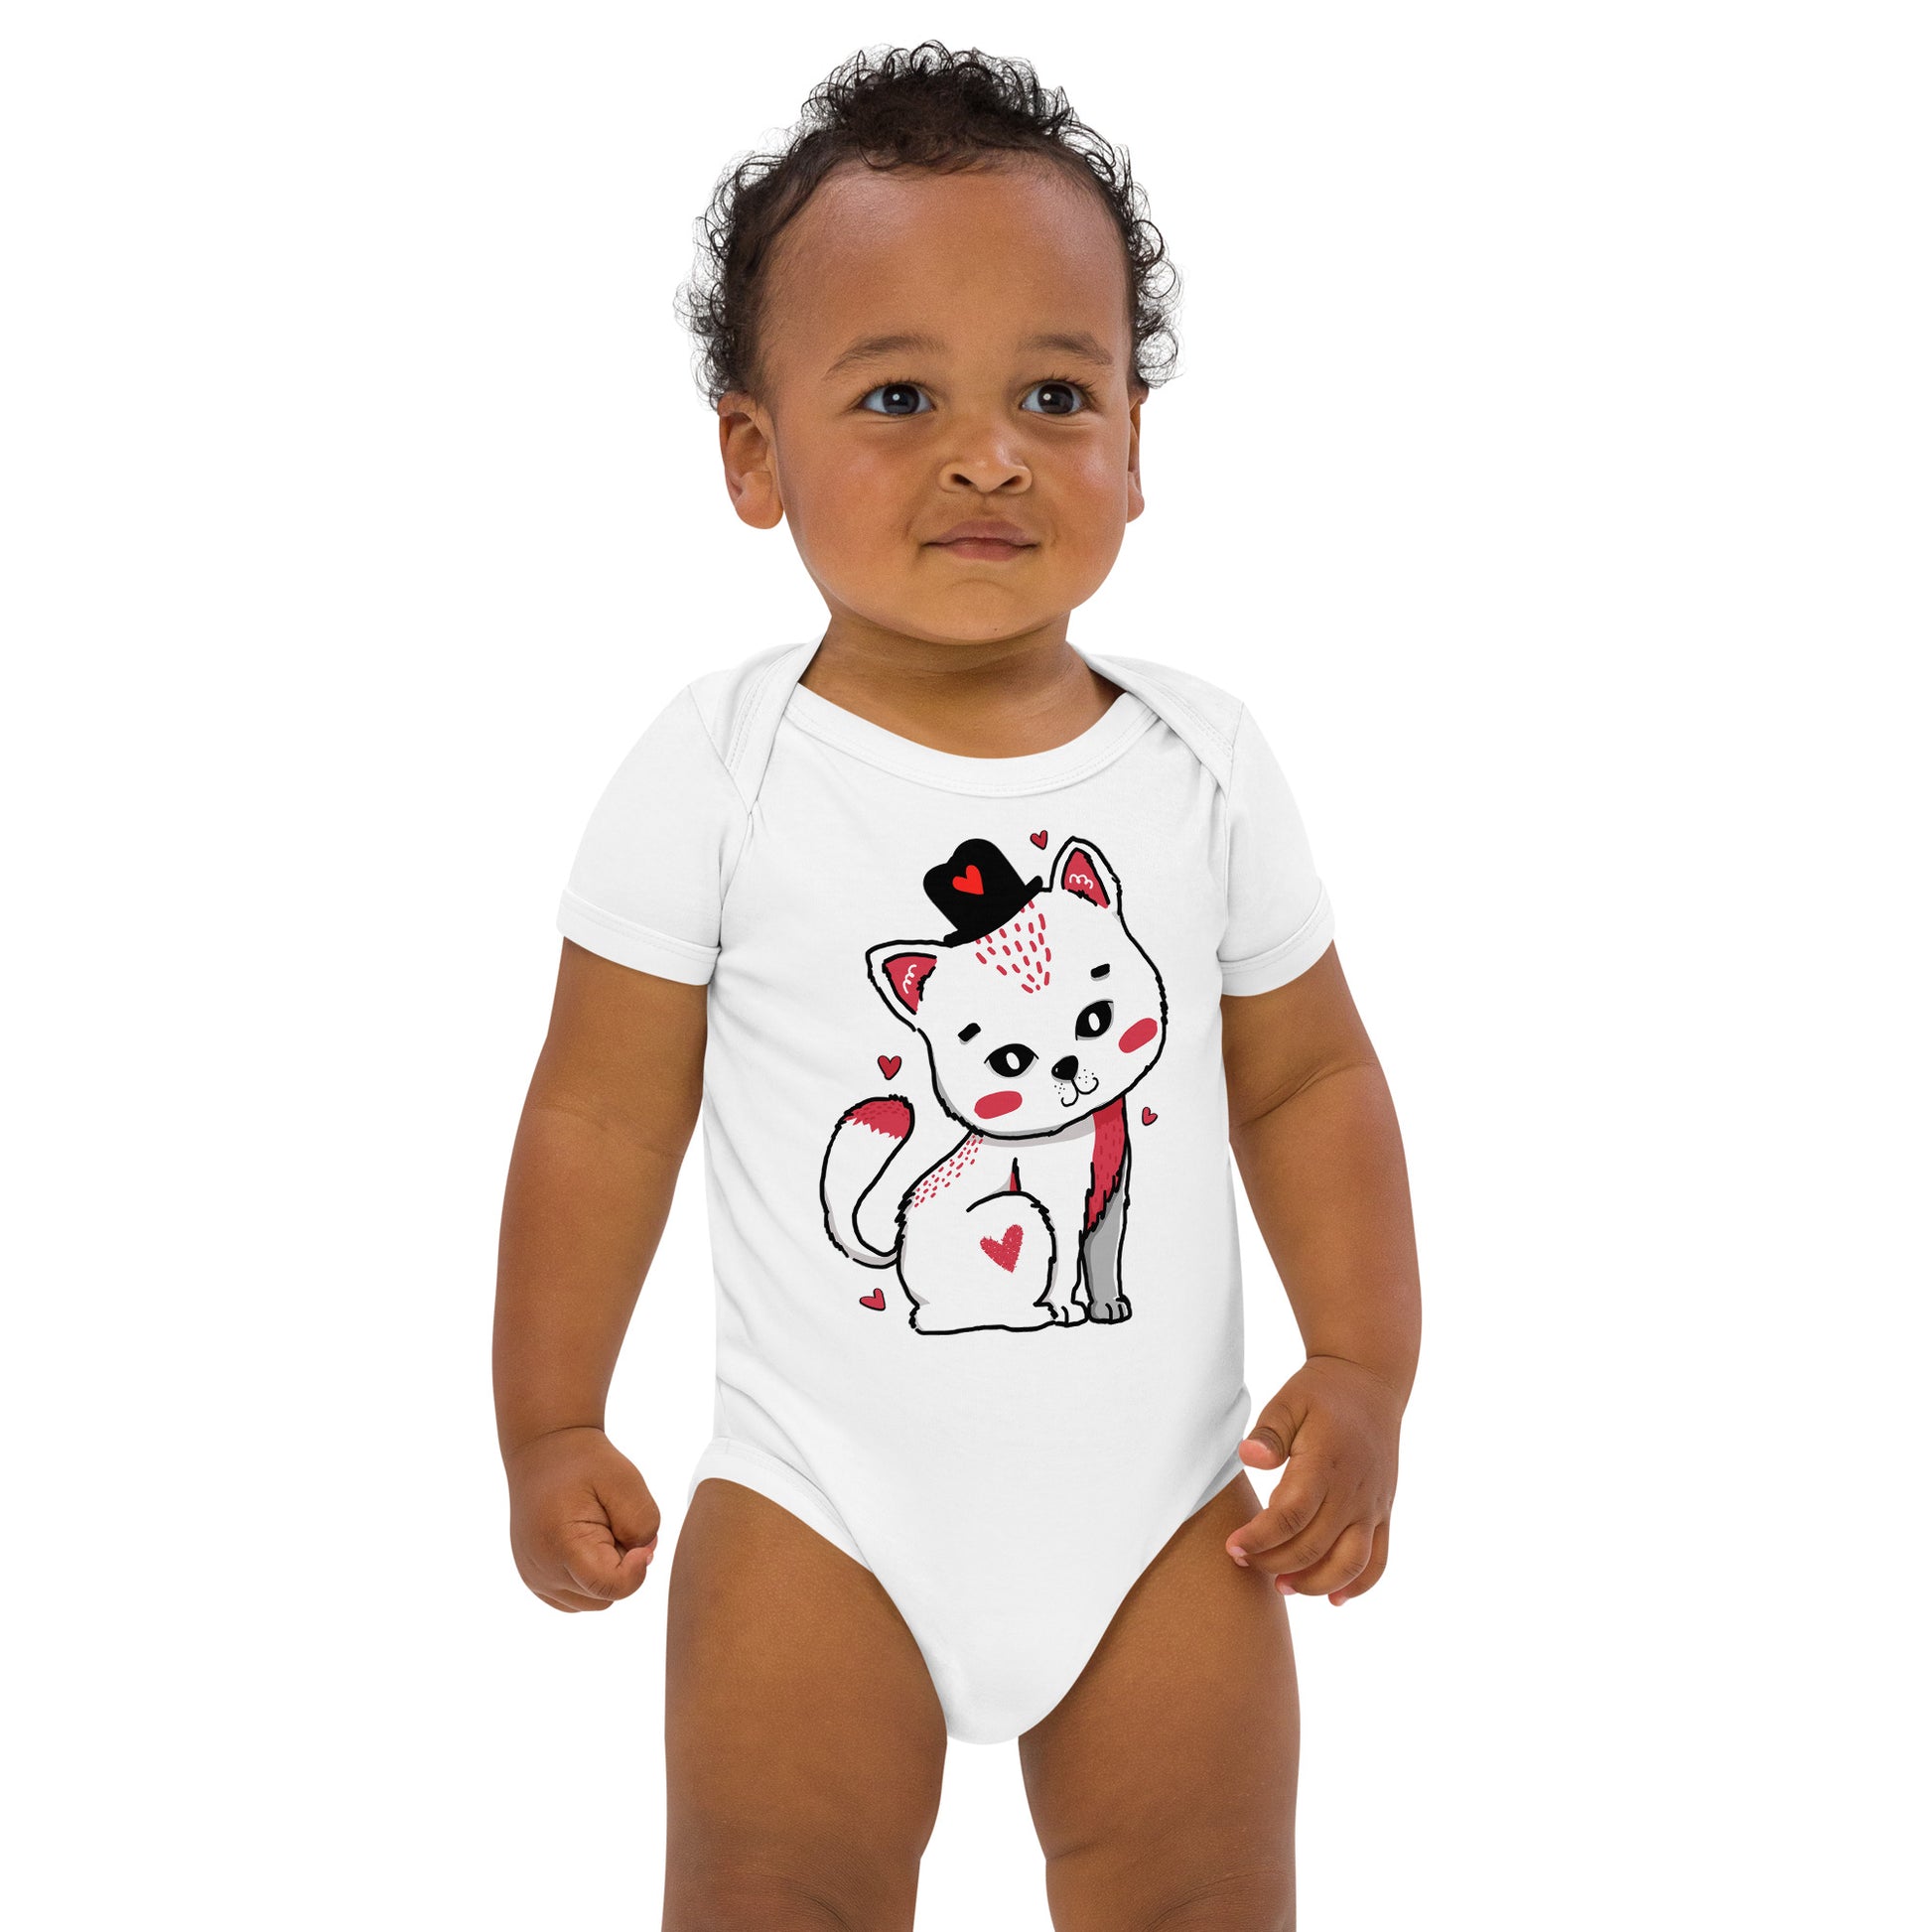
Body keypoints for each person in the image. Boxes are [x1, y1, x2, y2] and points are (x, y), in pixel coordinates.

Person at [493, 42, 1421, 1931]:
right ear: (754, 455)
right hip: (817, 1508)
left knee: (1201, 1892)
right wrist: (547, 1417)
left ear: (1136, 449)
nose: (987, 452)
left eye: (1055, 395)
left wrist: (1363, 1364)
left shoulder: (1202, 764)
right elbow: (598, 1107)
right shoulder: (720, 770)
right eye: (899, 395)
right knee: (773, 1889)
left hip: (1167, 1511)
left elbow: (1305, 1080)